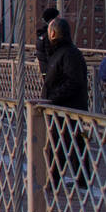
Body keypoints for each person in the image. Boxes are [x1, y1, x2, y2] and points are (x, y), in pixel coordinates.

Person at [42, 18, 91, 190]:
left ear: (53, 33)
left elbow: (73, 81)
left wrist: (52, 98)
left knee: (67, 146)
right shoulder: (61, 52)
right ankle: (65, 180)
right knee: (67, 146)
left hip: (69, 108)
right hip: (65, 109)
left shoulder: (69, 54)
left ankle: (63, 181)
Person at [35, 6, 59, 76]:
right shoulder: (48, 37)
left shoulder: (41, 35)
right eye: (57, 18)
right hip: (52, 72)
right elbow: (50, 54)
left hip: (45, 70)